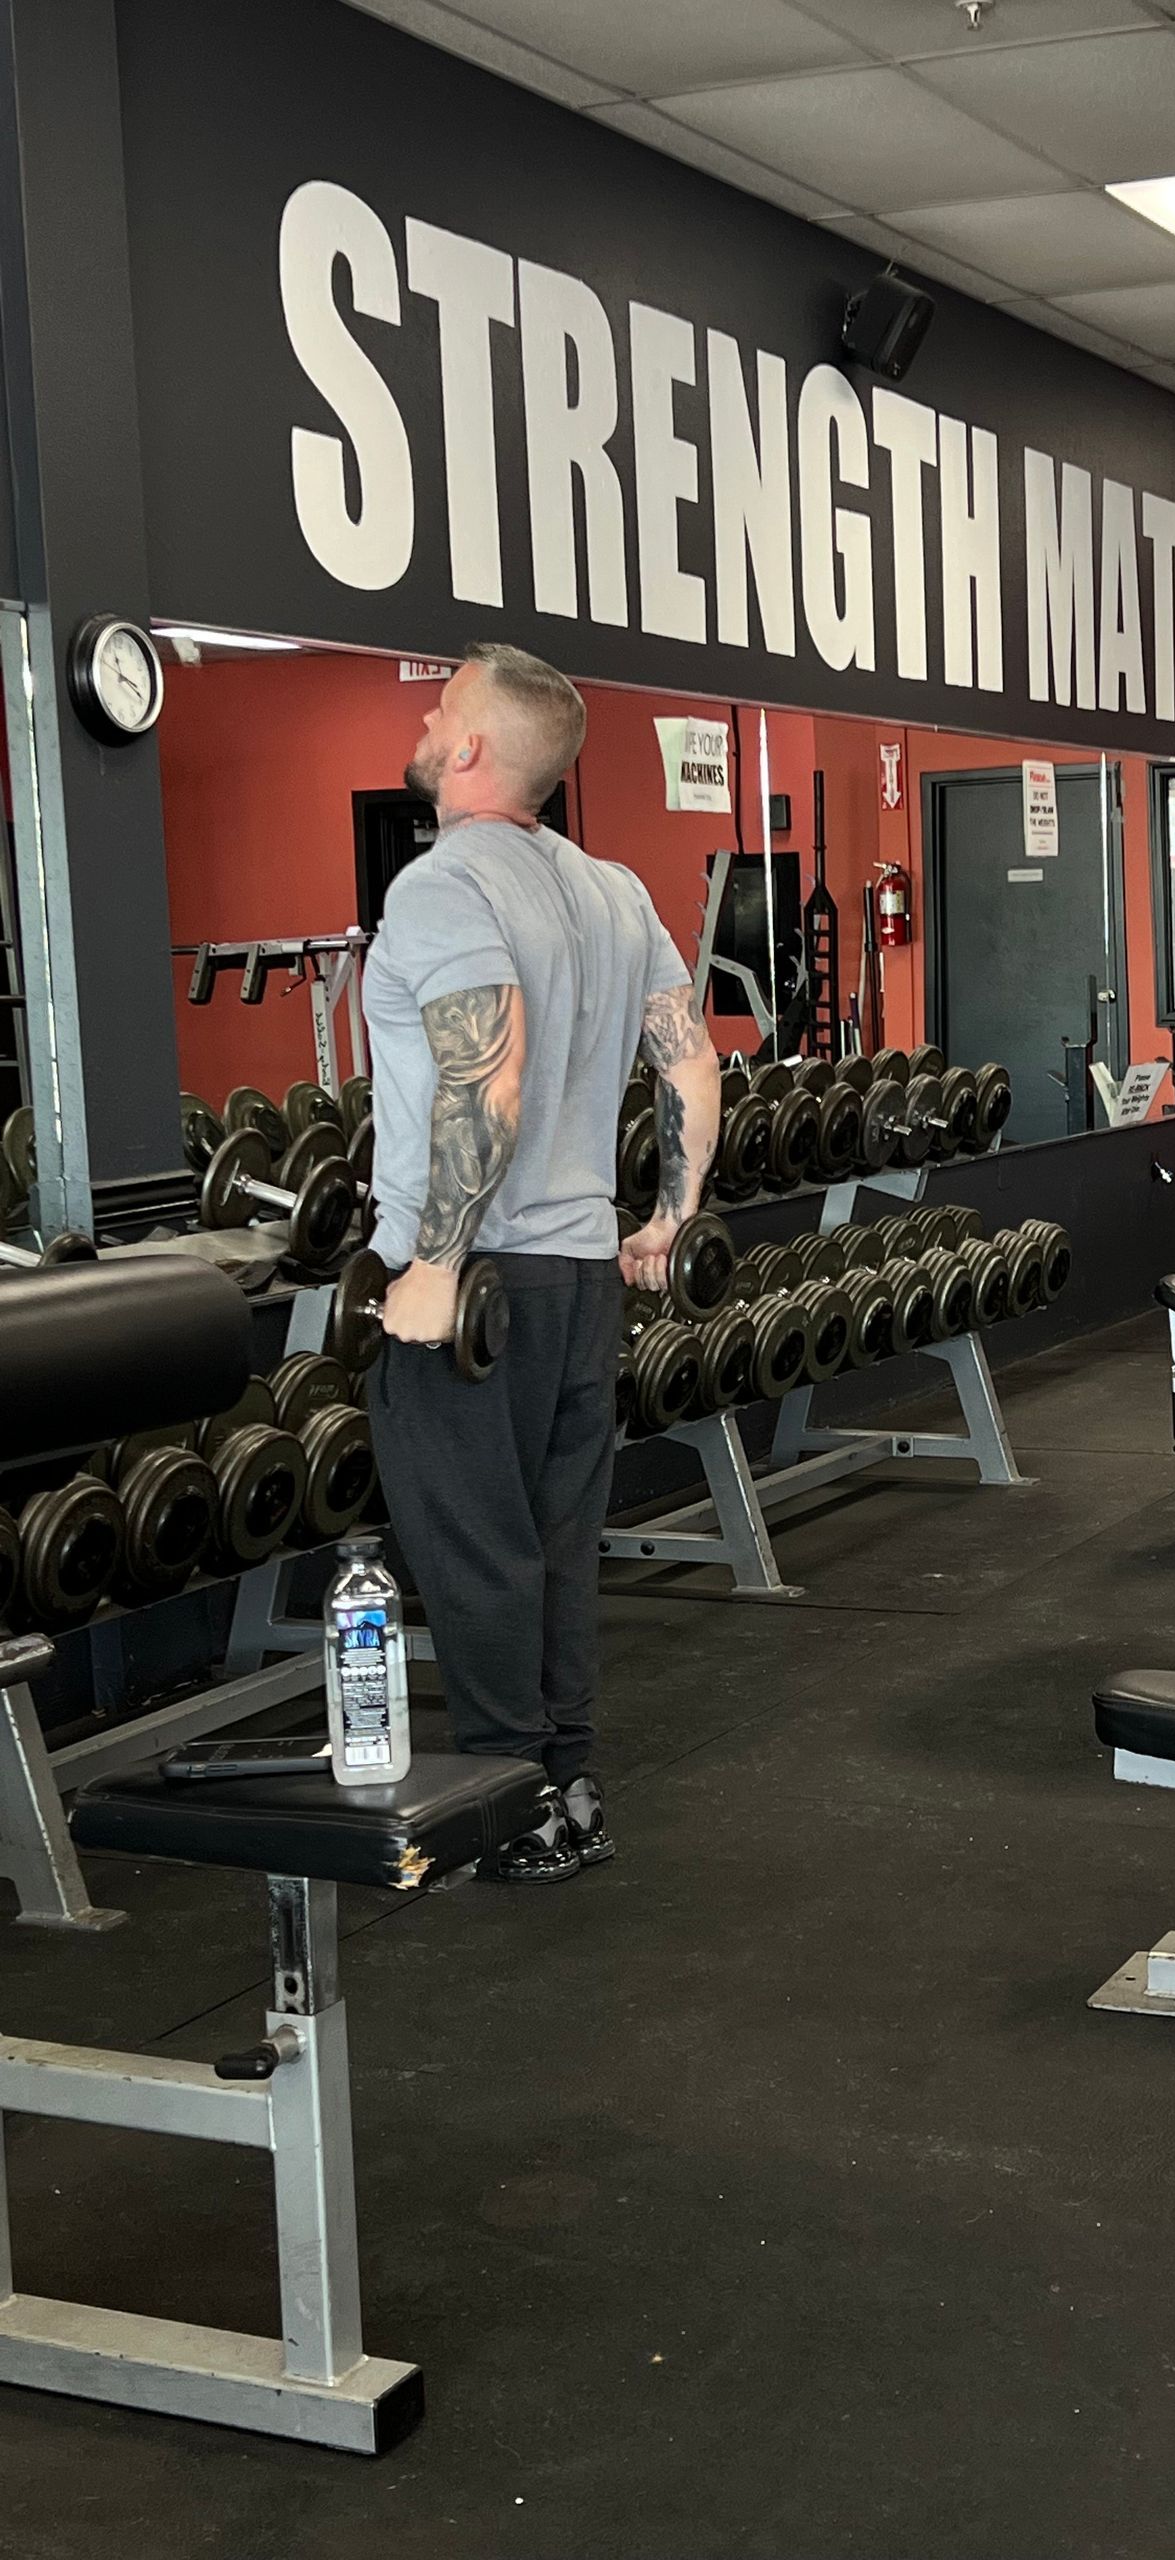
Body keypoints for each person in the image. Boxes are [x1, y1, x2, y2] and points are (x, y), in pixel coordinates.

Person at [361, 643, 721, 1882]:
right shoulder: (614, 889)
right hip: (578, 1282)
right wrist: (669, 1217)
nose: (423, 713)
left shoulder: (441, 885)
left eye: (441, 703)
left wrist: (432, 1263)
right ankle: (568, 1785)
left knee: (478, 1549)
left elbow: (487, 1075)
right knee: (559, 1542)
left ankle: (513, 1802)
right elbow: (692, 1061)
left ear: (471, 749)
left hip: (484, 1283)